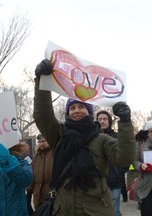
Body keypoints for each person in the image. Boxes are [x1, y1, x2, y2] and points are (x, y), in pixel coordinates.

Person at [33, 59, 136, 215]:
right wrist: (42, 81)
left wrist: (126, 122)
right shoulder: (59, 135)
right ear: (68, 113)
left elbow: (124, 158)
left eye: (81, 107)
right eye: (72, 108)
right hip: (62, 211)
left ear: (89, 112)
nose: (76, 110)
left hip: (95, 211)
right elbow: (43, 116)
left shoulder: (102, 139)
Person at [96, 110, 128, 216]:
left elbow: (126, 155)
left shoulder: (117, 136)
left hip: (115, 181)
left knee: (114, 211)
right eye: (99, 119)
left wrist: (120, 171)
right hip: (97, 182)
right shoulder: (93, 137)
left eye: (104, 119)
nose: (102, 121)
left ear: (109, 121)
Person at [26, 134, 53, 213]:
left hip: (51, 196)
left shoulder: (55, 154)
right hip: (38, 196)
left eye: (43, 141)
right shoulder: (36, 156)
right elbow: (33, 176)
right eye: (39, 142)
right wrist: (29, 191)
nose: (41, 143)